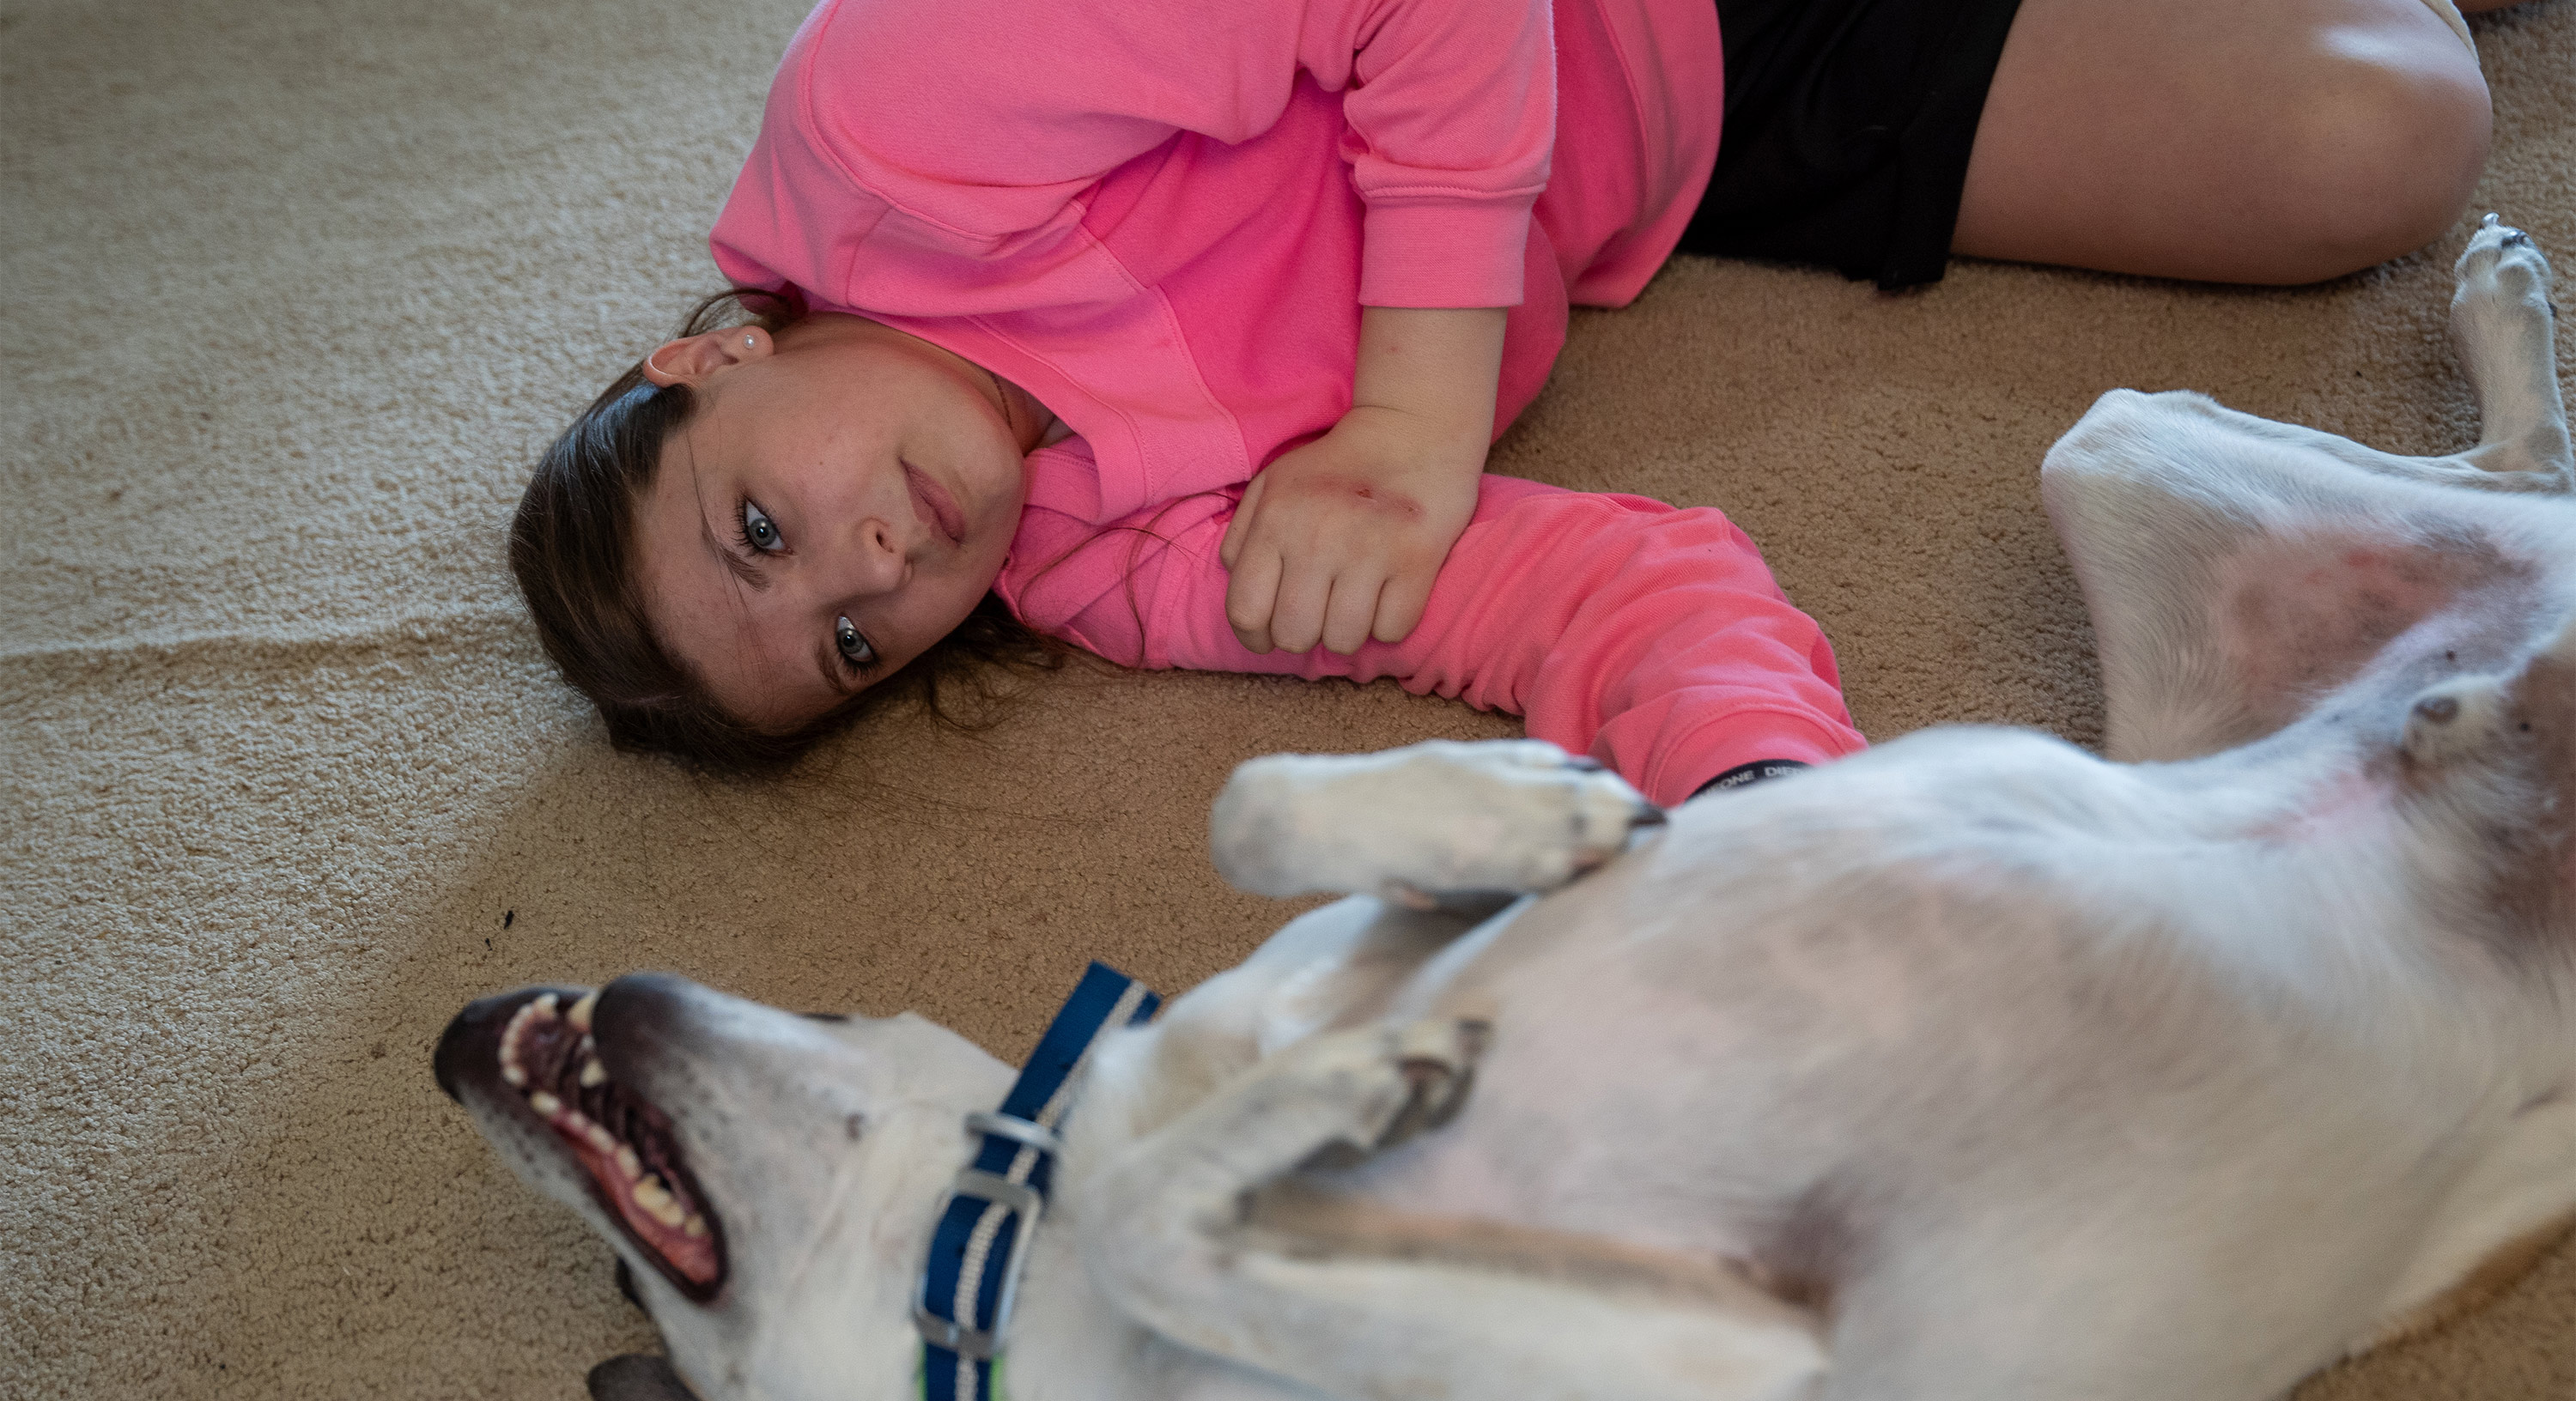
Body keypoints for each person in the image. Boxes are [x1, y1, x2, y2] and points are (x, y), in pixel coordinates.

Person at [511, 0, 2498, 798]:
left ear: (714, 359)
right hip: (1698, 106)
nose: (870, 565)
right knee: (2385, 130)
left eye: (759, 527)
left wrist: (1407, 420)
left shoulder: (890, 119)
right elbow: (1580, 596)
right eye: (849, 643)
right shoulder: (1112, 566)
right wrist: (1758, 810)